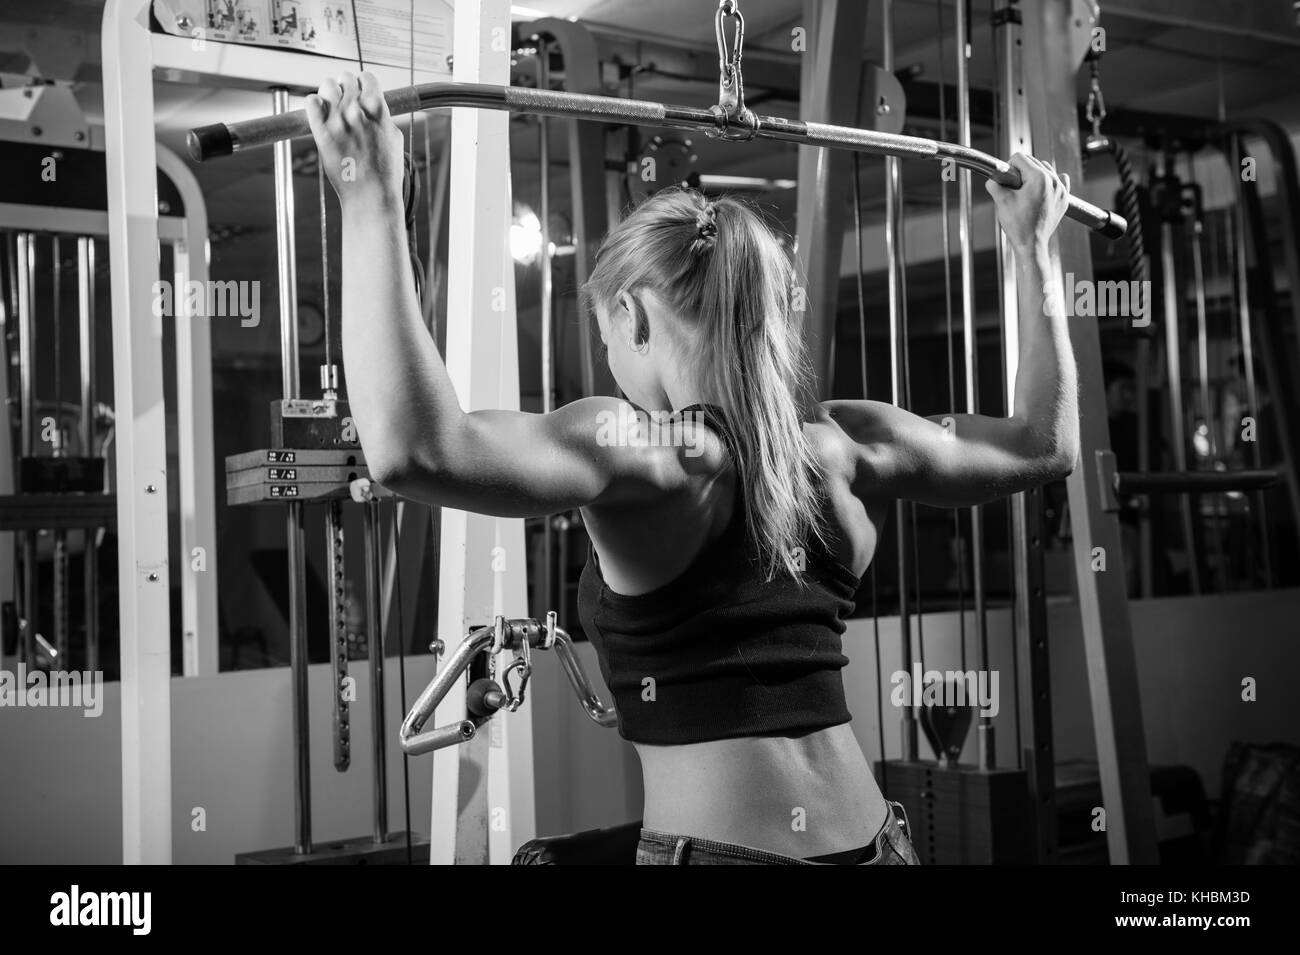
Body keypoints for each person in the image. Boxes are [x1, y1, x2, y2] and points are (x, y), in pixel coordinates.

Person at [306, 72, 1079, 865]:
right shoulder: (845, 444)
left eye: (606, 336)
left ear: (632, 315)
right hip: (879, 843)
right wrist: (1033, 246)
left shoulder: (646, 452)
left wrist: (368, 195)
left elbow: (413, 451)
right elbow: (1043, 445)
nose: (610, 365)